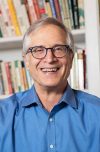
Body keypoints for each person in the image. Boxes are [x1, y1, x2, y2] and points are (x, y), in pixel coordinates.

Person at [0, 17, 100, 152]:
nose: (49, 59)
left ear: (70, 57)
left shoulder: (97, 112)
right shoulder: (3, 115)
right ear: (26, 61)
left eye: (58, 49)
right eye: (38, 50)